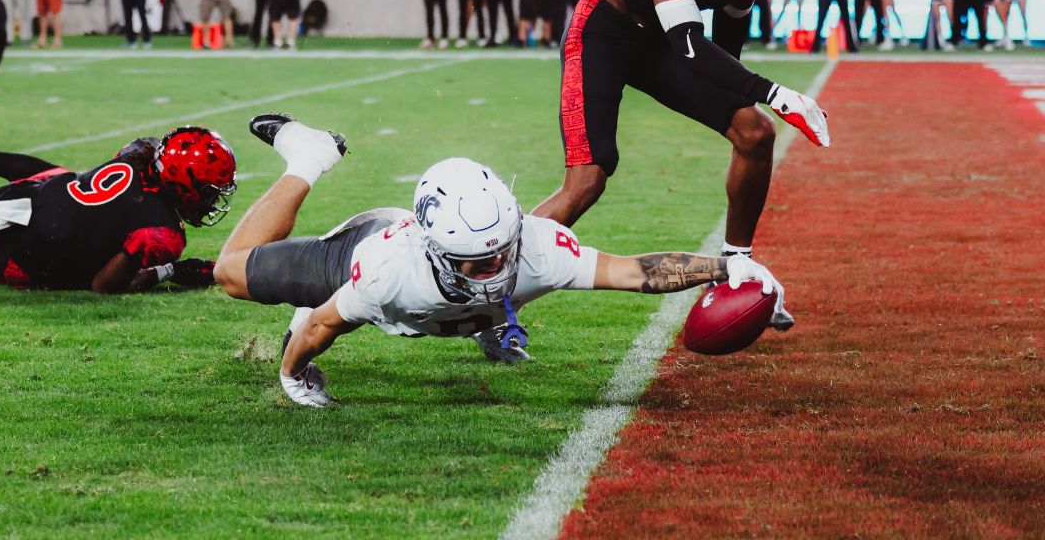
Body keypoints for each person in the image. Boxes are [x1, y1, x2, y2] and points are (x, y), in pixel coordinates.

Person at [212, 114, 785, 406]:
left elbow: (635, 271)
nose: (493, 270)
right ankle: (306, 157)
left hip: (426, 283)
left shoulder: (535, 246)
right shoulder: (387, 270)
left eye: (499, 255)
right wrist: (292, 372)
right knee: (230, 273)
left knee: (493, 293)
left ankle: (489, 330)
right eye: (474, 263)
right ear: (435, 249)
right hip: (357, 247)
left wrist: (724, 266)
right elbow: (321, 325)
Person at [534, 0, 825, 333]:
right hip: (607, 28)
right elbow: (690, 44)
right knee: (587, 179)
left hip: (662, 44)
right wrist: (777, 92)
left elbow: (730, 23)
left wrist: (738, 98)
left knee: (754, 131)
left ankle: (737, 269)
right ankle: (494, 290)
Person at [0, 125, 234, 292]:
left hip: (3, 207)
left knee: (61, 180)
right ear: (183, 182)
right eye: (207, 191)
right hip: (15, 265)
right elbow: (104, 286)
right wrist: (172, 271)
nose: (209, 200)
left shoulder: (139, 154)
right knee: (85, 258)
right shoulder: (162, 232)